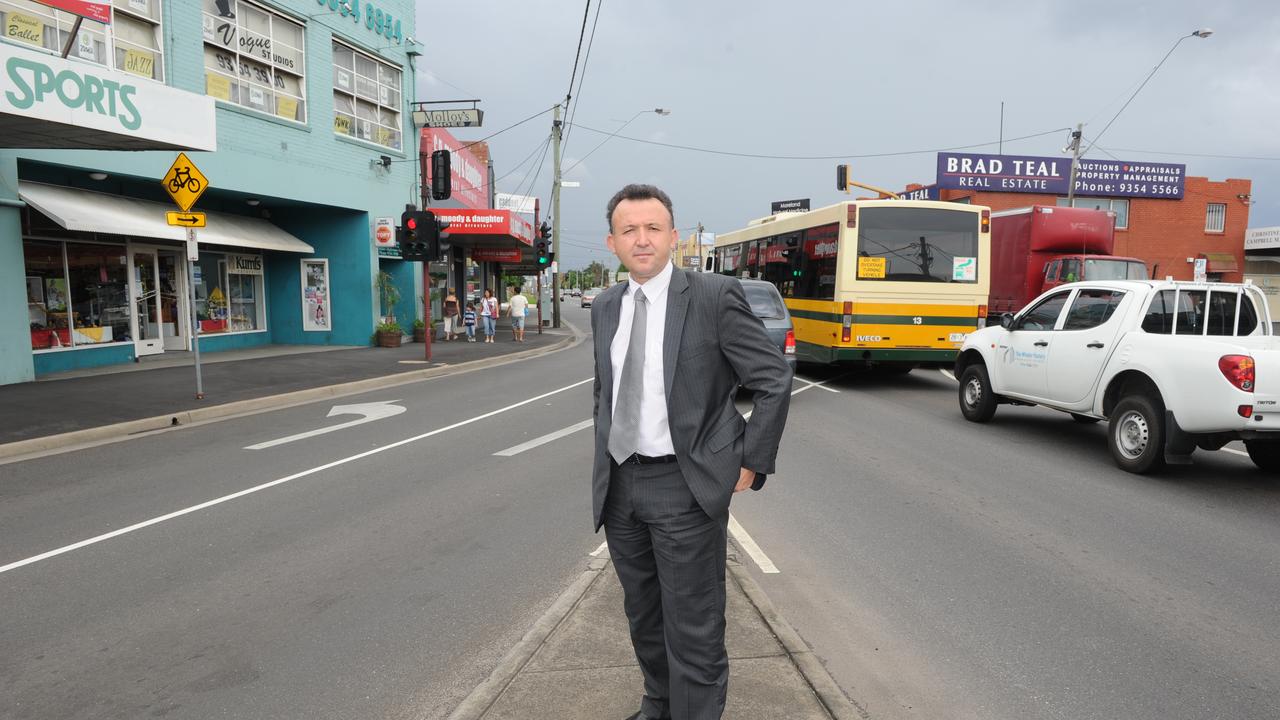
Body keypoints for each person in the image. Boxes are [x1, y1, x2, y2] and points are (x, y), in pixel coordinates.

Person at [590, 184, 791, 720]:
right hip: (621, 488)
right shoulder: (606, 305)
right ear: (612, 242)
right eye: (629, 230)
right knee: (645, 620)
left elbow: (772, 378)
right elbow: (605, 391)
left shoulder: (712, 295)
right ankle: (659, 706)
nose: (642, 239)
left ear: (674, 237)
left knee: (694, 629)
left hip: (686, 484)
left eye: (653, 228)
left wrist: (752, 459)